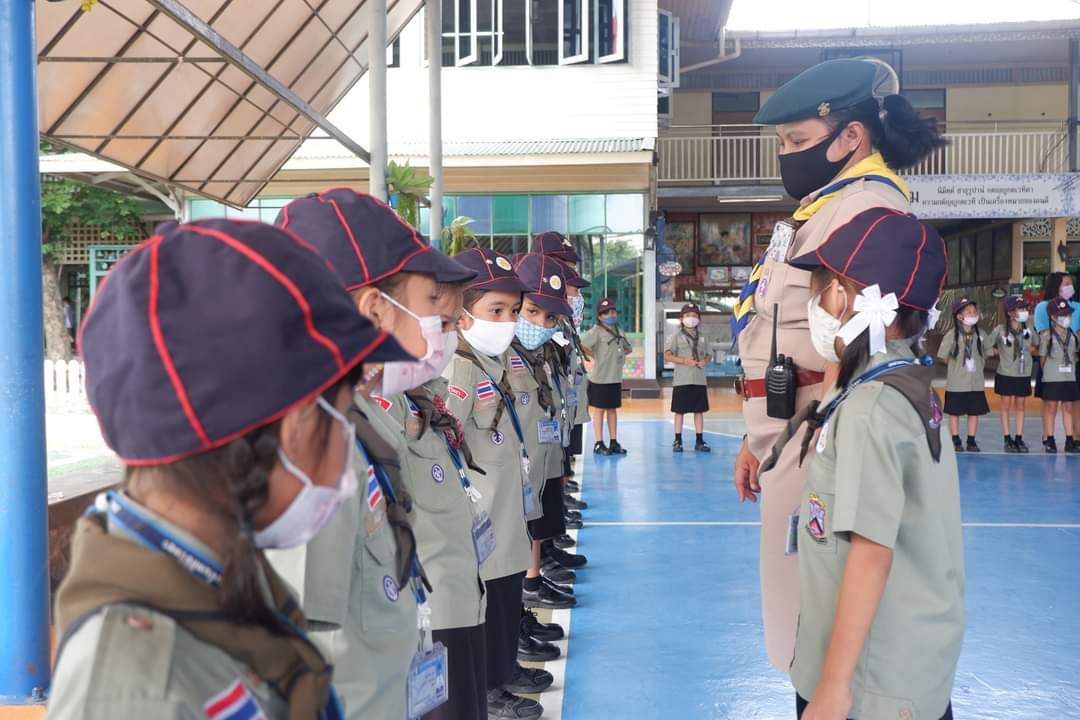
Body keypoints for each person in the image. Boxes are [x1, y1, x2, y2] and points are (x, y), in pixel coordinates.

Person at [48, 218, 412, 719]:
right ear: (298, 423)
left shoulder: (216, 577)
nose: (346, 442)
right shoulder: (140, 688)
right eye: (343, 413)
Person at [729, 57, 947, 670]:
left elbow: (857, 346)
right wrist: (759, 434)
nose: (787, 154)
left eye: (798, 140)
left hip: (823, 431)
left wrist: (801, 431)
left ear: (851, 135)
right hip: (793, 426)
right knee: (799, 611)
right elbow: (783, 329)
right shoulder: (825, 205)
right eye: (783, 142)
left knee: (818, 617)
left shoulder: (866, 209)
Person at [271, 190, 492, 720]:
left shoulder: (357, 423)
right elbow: (296, 651)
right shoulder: (308, 450)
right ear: (375, 310)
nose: (439, 326)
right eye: (429, 304)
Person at [763, 207, 962, 720]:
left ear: (847, 296)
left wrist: (832, 686)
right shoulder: (899, 384)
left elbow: (871, 553)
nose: (815, 300)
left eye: (821, 286)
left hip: (865, 686)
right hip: (904, 667)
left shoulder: (871, 408)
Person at [444, 247, 543, 720]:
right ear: (462, 315)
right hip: (482, 523)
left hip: (506, 519)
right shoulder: (459, 369)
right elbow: (447, 445)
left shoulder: (493, 362)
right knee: (485, 615)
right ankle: (489, 692)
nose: (507, 321)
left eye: (512, 311)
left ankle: (501, 677)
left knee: (504, 607)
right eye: (495, 311)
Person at [508, 253, 577, 617]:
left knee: (537, 518)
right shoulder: (497, 356)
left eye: (549, 316)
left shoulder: (542, 349)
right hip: (512, 470)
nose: (539, 323)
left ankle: (530, 585)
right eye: (531, 312)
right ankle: (525, 593)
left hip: (540, 453)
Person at [936, 299, 990, 453]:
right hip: (957, 382)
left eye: (974, 311)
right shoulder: (952, 335)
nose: (973, 314)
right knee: (955, 412)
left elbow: (988, 352)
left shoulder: (981, 334)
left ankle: (971, 440)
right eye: (969, 312)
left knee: (974, 412)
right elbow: (942, 356)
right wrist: (954, 364)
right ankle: (955, 438)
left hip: (976, 382)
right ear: (959, 316)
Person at [1033, 271, 1080, 444]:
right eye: (1066, 283)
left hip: (1072, 360)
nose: (1070, 287)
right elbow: (1043, 334)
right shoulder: (1043, 307)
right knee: (1049, 402)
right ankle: (1048, 435)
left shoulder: (1077, 307)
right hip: (1052, 361)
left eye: (1071, 283)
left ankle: (1074, 436)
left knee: (1072, 401)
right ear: (1056, 286)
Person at [581, 298, 632, 456]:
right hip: (600, 378)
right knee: (599, 411)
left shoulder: (619, 330)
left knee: (612, 410)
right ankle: (598, 443)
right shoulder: (596, 331)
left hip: (614, 377)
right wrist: (595, 355)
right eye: (606, 312)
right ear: (600, 316)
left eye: (612, 311)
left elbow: (627, 348)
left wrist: (615, 355)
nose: (611, 314)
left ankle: (613, 441)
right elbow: (582, 345)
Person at [988, 296, 1035, 452]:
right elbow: (986, 346)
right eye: (1020, 309)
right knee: (1006, 405)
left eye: (1024, 308)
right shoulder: (1000, 330)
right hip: (1006, 373)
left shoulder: (1028, 328)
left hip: (1023, 373)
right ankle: (1007, 438)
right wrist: (997, 351)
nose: (1024, 312)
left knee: (1021, 405)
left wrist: (1032, 350)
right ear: (1010, 313)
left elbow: (1037, 345)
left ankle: (1019, 438)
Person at [664, 302, 711, 452]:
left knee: (699, 410)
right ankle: (677, 440)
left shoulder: (703, 337)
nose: (691, 318)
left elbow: (708, 354)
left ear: (699, 318)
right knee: (680, 411)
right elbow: (667, 355)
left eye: (694, 315)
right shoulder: (675, 337)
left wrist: (705, 361)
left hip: (699, 379)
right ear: (681, 318)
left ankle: (699, 440)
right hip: (682, 380)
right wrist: (684, 361)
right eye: (687, 315)